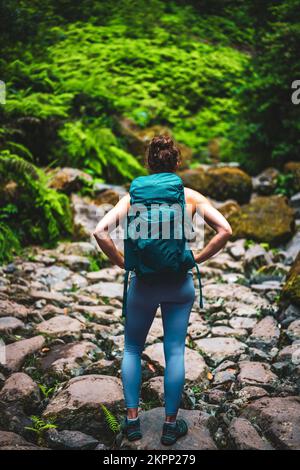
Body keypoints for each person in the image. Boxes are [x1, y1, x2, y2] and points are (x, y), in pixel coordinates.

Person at [92, 135, 232, 446]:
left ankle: (131, 422)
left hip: (142, 285)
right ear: (176, 163)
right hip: (180, 284)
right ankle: (170, 425)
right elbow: (225, 230)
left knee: (131, 349)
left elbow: (100, 232)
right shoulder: (190, 196)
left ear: (149, 163)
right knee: (175, 352)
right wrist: (197, 257)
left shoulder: (133, 197)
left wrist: (122, 263)